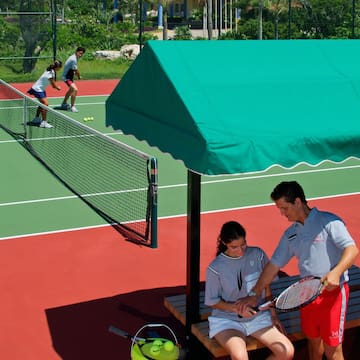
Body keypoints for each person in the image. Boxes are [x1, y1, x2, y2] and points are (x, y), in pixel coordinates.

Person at [237, 181, 359, 360]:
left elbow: (352, 249)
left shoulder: (329, 221)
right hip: (306, 296)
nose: (282, 213)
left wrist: (336, 272)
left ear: (298, 202)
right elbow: (272, 267)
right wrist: (255, 293)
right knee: (314, 345)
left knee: (333, 351)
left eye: (285, 208)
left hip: (333, 296)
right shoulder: (290, 234)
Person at [205, 221, 294, 360]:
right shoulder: (215, 268)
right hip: (227, 321)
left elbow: (266, 285)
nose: (240, 251)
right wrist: (237, 309)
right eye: (234, 247)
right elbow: (212, 301)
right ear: (224, 243)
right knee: (240, 357)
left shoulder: (257, 254)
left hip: (258, 318)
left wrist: (273, 315)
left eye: (243, 244)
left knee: (286, 351)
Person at [27, 60, 62, 128]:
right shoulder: (50, 74)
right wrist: (58, 88)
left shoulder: (51, 70)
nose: (60, 69)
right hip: (37, 89)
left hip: (40, 89)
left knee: (43, 104)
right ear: (58, 67)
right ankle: (44, 122)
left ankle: (36, 119)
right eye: (60, 67)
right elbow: (53, 86)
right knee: (45, 104)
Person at [59, 46, 85, 113]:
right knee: (75, 89)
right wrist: (79, 76)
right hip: (66, 77)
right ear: (76, 52)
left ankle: (64, 104)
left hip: (69, 77)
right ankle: (72, 107)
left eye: (82, 54)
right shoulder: (73, 59)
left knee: (71, 90)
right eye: (80, 53)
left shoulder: (75, 57)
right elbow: (76, 70)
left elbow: (74, 70)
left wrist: (76, 74)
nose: (80, 55)